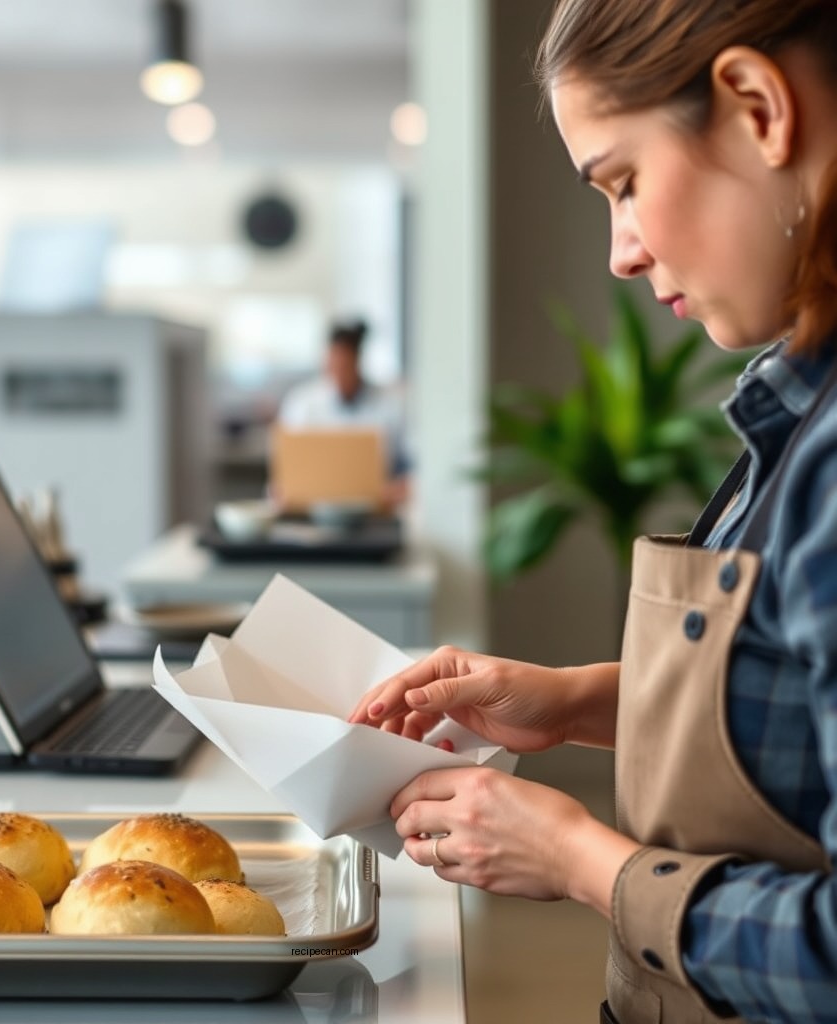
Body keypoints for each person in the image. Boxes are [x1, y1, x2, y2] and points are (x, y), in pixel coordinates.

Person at [349, 2, 837, 1021]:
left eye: (622, 182)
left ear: (755, 107)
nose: (619, 250)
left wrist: (579, 858)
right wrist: (569, 701)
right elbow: (791, 701)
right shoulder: (795, 407)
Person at [277, 318, 411, 506]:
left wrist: (402, 486)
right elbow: (286, 471)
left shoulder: (390, 406)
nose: (339, 372)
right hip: (311, 509)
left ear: (358, 361)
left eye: (346, 364)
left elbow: (410, 469)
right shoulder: (302, 403)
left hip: (374, 511)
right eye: (334, 363)